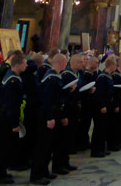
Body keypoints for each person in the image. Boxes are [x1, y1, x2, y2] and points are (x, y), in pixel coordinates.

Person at [30, 53, 68, 185]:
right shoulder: (51, 78)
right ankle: (36, 175)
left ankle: (44, 171)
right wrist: (50, 117)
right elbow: (47, 99)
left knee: (48, 146)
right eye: (65, 62)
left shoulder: (55, 76)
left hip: (53, 114)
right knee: (42, 146)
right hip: (47, 115)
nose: (66, 64)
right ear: (61, 62)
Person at [0, 51, 26, 185]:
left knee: (6, 148)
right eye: (25, 64)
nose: (26, 66)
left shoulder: (10, 76)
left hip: (6, 117)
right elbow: (11, 104)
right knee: (3, 148)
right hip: (8, 119)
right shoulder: (13, 81)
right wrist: (14, 123)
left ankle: (2, 172)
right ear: (18, 65)